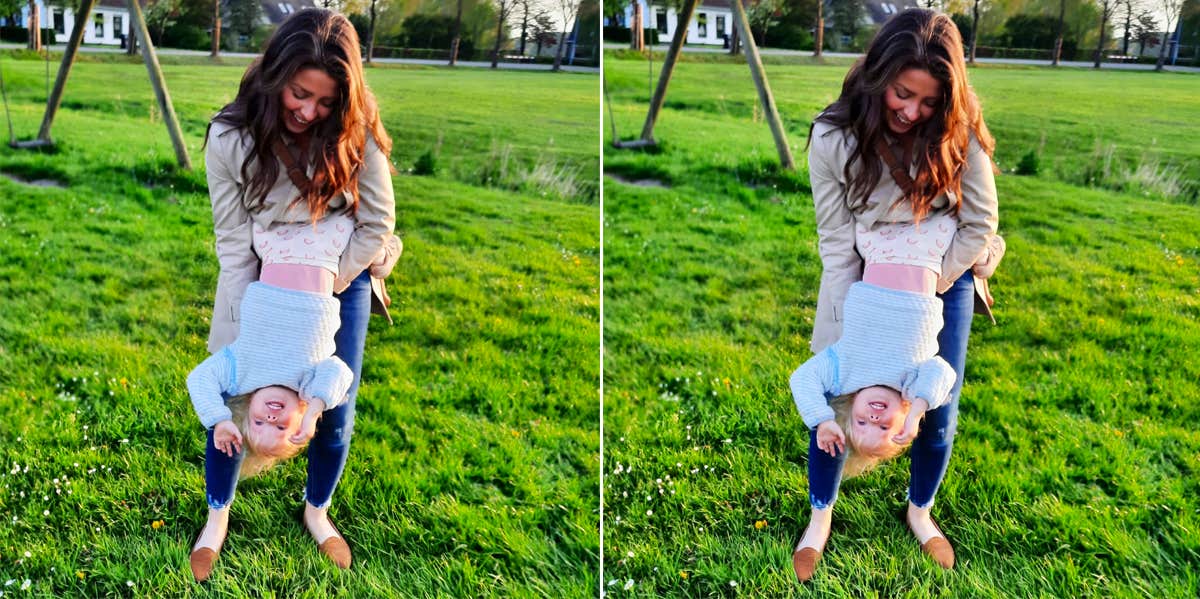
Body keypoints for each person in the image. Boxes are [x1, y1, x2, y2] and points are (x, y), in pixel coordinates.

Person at [188, 7, 399, 581]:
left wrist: (321, 286)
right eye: (300, 94)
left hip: (341, 278)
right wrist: (241, 319)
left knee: (334, 408)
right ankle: (217, 517)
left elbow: (377, 225)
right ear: (275, 74)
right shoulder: (230, 137)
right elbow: (233, 242)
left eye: (326, 102)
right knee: (234, 395)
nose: (310, 111)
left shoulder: (355, 131)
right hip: (260, 281)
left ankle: (317, 511)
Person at [792, 8, 1001, 581]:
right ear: (878, 74)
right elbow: (835, 240)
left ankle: (920, 511)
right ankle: (820, 517)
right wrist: (844, 318)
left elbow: (980, 223)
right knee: (837, 394)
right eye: (903, 94)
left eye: (929, 102)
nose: (913, 112)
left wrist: (926, 285)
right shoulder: (833, 136)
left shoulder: (958, 132)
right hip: (863, 281)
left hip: (944, 278)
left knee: (937, 408)